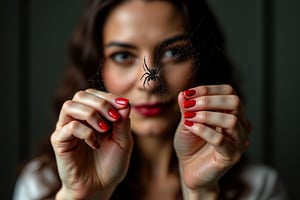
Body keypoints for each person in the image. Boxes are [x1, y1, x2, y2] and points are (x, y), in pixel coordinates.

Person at [13, 0, 288, 199]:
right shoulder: (43, 182)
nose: (152, 82)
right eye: (123, 56)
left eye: (174, 54)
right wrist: (81, 196)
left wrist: (201, 192)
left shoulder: (260, 188)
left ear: (201, 63)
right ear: (98, 68)